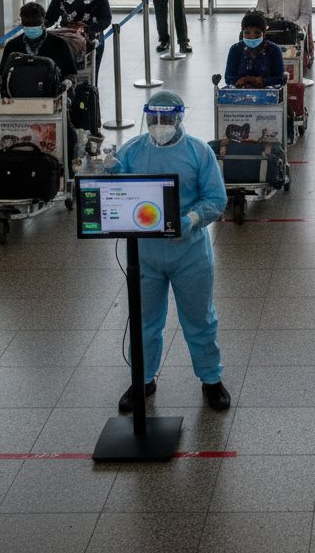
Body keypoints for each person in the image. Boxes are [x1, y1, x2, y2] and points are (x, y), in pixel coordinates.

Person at [104, 90, 231, 413]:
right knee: (145, 320)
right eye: (154, 118)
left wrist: (191, 219)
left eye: (166, 118)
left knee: (199, 318)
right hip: (144, 254)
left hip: (190, 253)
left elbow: (216, 200)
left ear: (179, 118)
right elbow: (116, 192)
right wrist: (105, 170)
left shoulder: (198, 153)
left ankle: (211, 380)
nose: (160, 124)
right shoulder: (131, 151)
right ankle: (142, 379)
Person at [44, 0, 112, 73]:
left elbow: (106, 18)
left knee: (90, 78)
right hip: (67, 38)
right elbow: (51, 16)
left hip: (92, 38)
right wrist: (37, 25)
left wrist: (88, 29)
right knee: (67, 74)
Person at [0, 1, 78, 86]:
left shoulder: (59, 44)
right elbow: (1, 75)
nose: (31, 27)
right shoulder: (12, 46)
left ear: (44, 22)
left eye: (36, 24)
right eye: (27, 24)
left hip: (51, 93)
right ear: (22, 24)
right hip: (18, 94)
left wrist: (65, 84)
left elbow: (71, 74)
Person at [224, 11, 287, 89]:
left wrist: (262, 81)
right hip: (240, 92)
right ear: (242, 33)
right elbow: (229, 78)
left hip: (268, 94)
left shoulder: (274, 50)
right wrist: (243, 81)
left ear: (264, 34)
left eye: (257, 33)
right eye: (247, 33)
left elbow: (280, 78)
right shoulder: (235, 50)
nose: (252, 37)